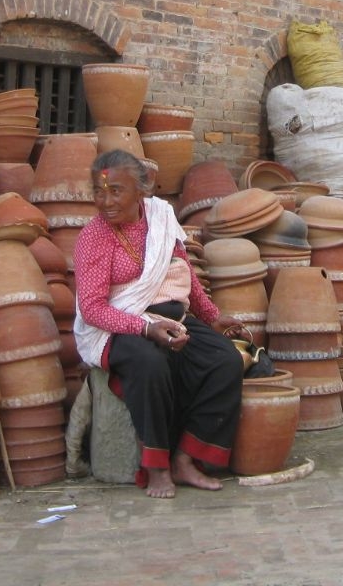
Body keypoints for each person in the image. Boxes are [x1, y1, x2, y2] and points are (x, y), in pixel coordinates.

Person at [72, 149, 247, 498]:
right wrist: (145, 329)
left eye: (116, 190)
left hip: (173, 318)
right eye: (98, 191)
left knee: (225, 359)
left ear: (142, 190)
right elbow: (91, 309)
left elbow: (182, 272)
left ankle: (186, 459)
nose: (105, 201)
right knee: (150, 363)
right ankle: (156, 467)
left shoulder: (161, 218)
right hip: (117, 328)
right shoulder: (93, 237)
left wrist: (211, 316)